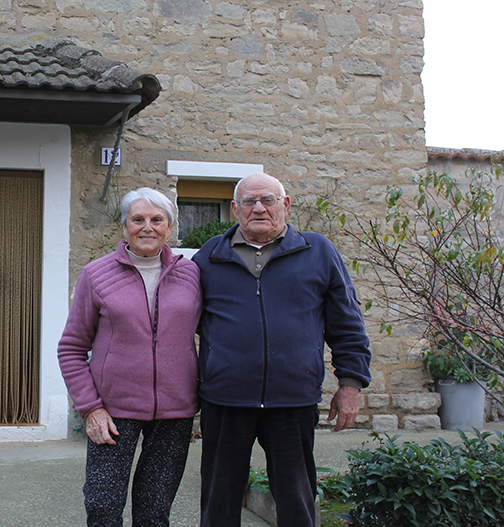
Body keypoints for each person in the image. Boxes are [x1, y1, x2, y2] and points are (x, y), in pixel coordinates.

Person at [192, 173, 371, 527]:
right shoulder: (208, 257)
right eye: (248, 201)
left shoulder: (317, 251)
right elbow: (183, 322)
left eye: (268, 200)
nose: (258, 208)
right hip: (226, 400)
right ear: (234, 209)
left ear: (285, 205)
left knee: (297, 502)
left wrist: (350, 385)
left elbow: (347, 322)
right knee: (218, 503)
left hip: (293, 400)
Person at [58, 187, 203, 527]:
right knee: (103, 507)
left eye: (157, 219)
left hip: (175, 411)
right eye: (137, 219)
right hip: (113, 412)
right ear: (124, 226)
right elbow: (71, 348)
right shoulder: (96, 275)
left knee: (154, 512)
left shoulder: (191, 275)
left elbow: (211, 336)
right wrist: (90, 408)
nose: (147, 227)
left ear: (170, 227)